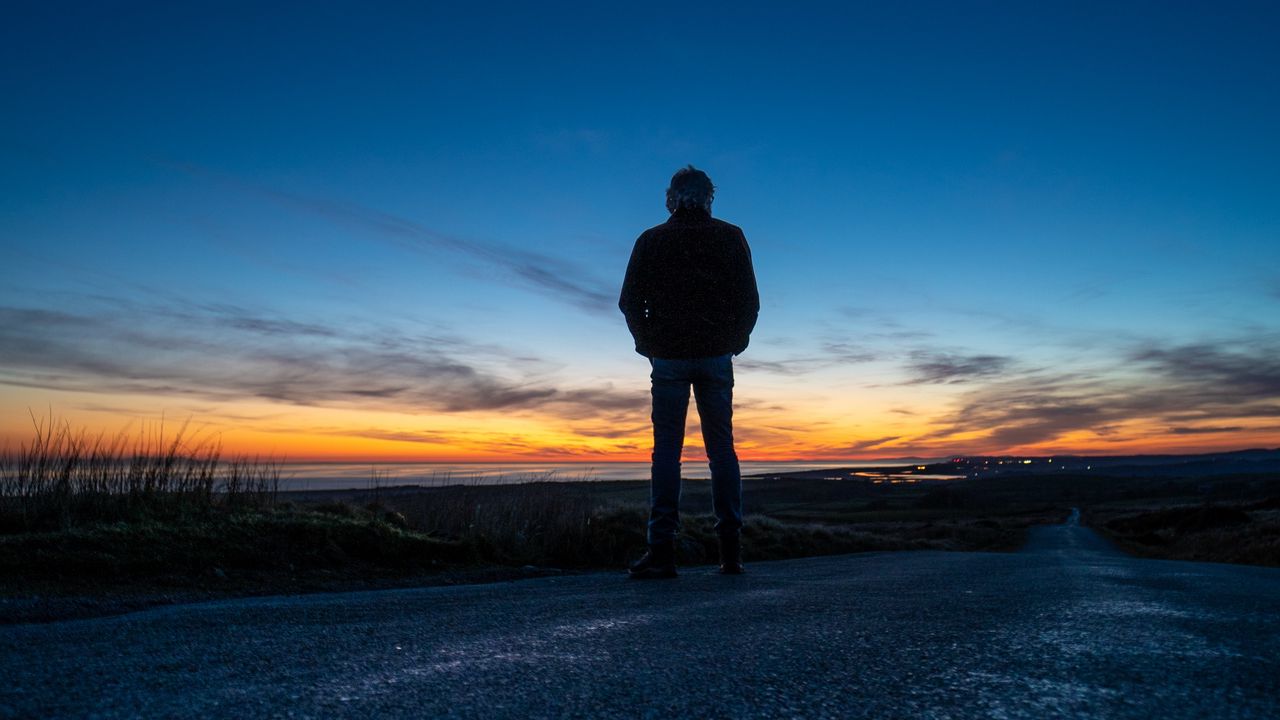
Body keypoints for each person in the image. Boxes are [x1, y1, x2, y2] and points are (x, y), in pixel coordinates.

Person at [619, 165, 760, 579]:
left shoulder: (652, 240)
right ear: (709, 198)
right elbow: (748, 301)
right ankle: (730, 554)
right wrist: (735, 340)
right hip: (714, 356)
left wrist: (647, 344)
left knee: (667, 453)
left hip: (669, 358)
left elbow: (630, 301)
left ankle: (662, 552)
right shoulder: (729, 236)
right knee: (721, 452)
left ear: (671, 198)